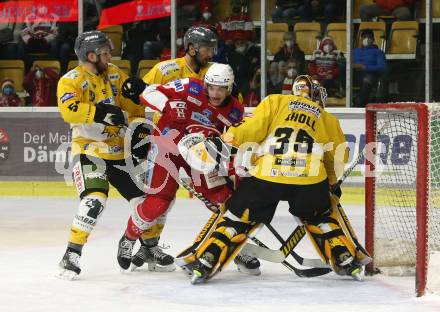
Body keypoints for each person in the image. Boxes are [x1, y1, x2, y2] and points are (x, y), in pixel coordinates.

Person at [177, 75, 368, 284]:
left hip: (268, 175)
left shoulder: (275, 101)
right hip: (310, 180)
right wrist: (331, 183)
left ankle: (209, 256)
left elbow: (248, 130)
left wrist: (217, 144)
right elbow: (339, 159)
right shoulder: (327, 118)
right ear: (314, 94)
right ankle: (344, 256)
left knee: (237, 216)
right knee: (321, 215)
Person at [135, 26, 261, 274]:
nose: (211, 52)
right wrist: (140, 127)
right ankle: (148, 245)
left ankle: (233, 246)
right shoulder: (167, 69)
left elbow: (232, 122)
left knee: (222, 198)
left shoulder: (214, 73)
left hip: (201, 153)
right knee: (162, 201)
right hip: (169, 146)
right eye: (207, 48)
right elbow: (142, 92)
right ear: (192, 47)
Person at [56, 30, 148, 280]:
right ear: (91, 55)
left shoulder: (116, 74)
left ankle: (149, 249)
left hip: (119, 152)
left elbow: (133, 109)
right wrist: (100, 113)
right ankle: (71, 253)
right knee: (94, 200)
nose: (110, 56)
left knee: (145, 203)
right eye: (105, 52)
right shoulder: (70, 80)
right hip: (89, 151)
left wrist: (137, 102)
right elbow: (69, 111)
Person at [352, 29, 387, 108]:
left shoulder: (378, 52)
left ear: (373, 39)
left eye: (369, 37)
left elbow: (382, 67)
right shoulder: (355, 51)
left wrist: (364, 67)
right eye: (364, 37)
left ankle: (359, 105)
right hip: (353, 73)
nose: (367, 39)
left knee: (366, 79)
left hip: (370, 74)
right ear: (361, 39)